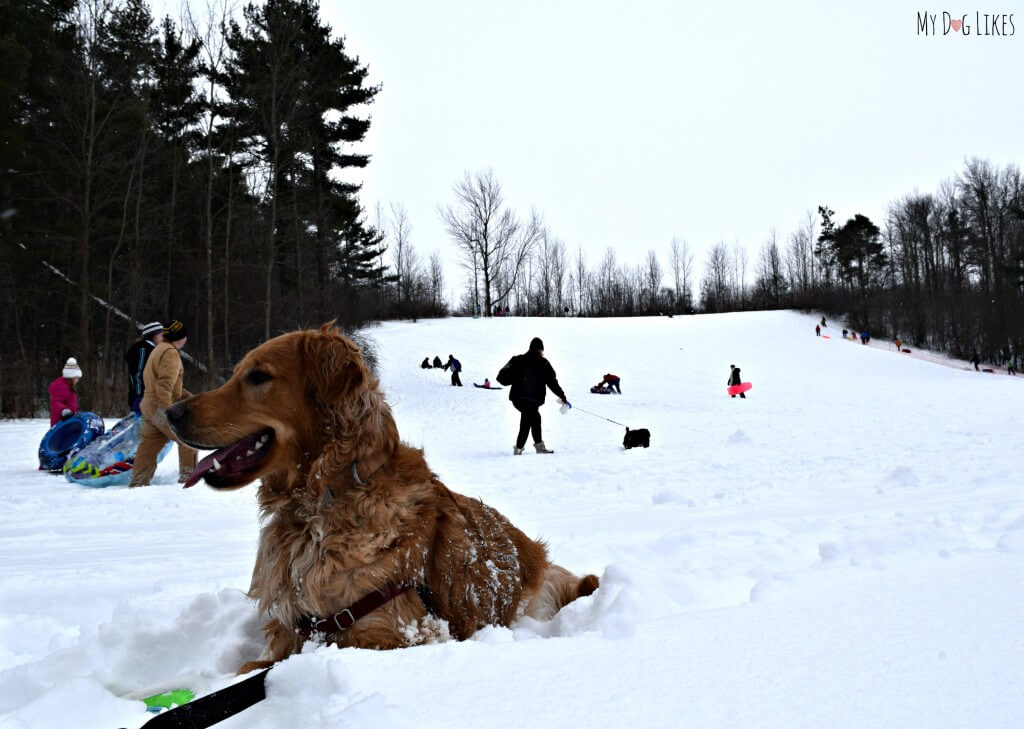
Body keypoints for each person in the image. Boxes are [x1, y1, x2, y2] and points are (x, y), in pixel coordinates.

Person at [129, 320, 198, 487]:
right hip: (159, 405)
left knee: (149, 444)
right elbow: (165, 385)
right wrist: (168, 410)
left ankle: (138, 482)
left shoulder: (159, 349)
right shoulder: (171, 353)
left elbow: (173, 387)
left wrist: (192, 398)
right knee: (189, 438)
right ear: (180, 338)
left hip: (148, 404)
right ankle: (189, 478)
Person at [497, 337, 569, 455]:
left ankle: (537, 447)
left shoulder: (517, 360)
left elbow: (501, 377)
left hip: (518, 398)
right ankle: (519, 449)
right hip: (533, 399)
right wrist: (562, 395)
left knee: (534, 418)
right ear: (540, 350)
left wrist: (516, 378)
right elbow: (552, 382)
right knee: (528, 420)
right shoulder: (544, 363)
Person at [125, 321, 164, 414]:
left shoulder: (155, 350)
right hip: (142, 399)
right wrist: (139, 397)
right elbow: (138, 375)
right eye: (162, 335)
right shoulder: (142, 350)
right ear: (153, 335)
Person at [48, 357, 82, 425]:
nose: (78, 380)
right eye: (77, 377)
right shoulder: (62, 386)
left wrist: (74, 411)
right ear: (71, 377)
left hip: (67, 421)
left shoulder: (69, 387)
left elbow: (70, 402)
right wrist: (64, 410)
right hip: (60, 423)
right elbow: (55, 402)